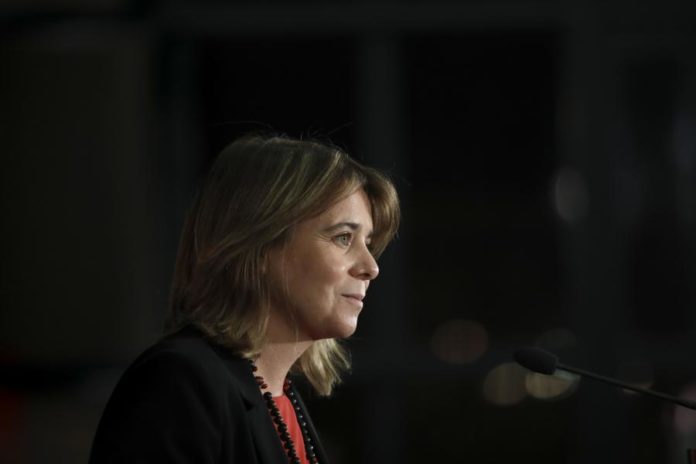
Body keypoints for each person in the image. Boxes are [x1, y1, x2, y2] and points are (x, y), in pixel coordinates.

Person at [89, 134, 400, 464]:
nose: (371, 267)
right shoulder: (180, 382)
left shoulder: (281, 397)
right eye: (343, 238)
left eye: (368, 243)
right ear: (260, 245)